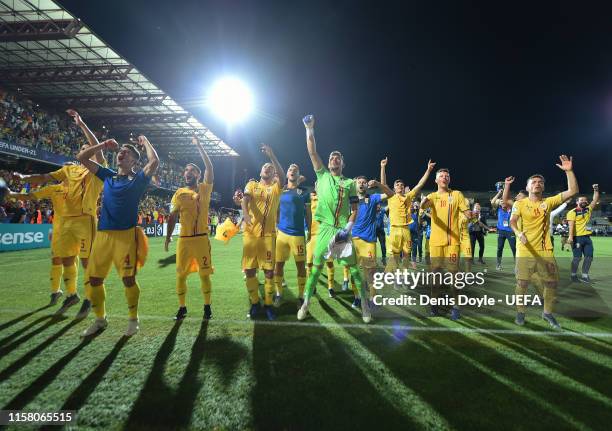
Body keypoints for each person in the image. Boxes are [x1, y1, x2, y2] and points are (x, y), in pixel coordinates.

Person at [12, 110, 106, 317]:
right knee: (66, 259)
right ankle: (72, 295)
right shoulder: (69, 170)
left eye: (89, 149)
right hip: (65, 223)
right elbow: (45, 176)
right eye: (83, 149)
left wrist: (81, 125)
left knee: (86, 262)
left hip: (85, 220)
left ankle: (90, 298)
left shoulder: (97, 171)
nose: (86, 151)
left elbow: (98, 153)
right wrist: (24, 177)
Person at [77, 134, 159, 337]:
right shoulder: (108, 175)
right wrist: (103, 144)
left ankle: (133, 320)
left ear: (133, 160)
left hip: (126, 236)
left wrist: (145, 141)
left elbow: (154, 161)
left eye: (126, 152)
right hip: (103, 235)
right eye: (120, 151)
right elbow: (82, 158)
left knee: (128, 280)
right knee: (94, 280)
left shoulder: (138, 179)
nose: (121, 153)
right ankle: (100, 319)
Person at [298, 114, 371, 323]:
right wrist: (309, 129)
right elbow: (312, 151)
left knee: (355, 269)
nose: (333, 159)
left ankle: (365, 304)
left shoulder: (349, 183)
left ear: (343, 163)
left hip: (342, 230)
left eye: (337, 157)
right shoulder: (321, 175)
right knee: (316, 267)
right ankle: (306, 303)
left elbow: (355, 208)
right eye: (331, 157)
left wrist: (348, 227)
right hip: (324, 229)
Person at [510, 155, 578, 328]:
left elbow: (573, 191)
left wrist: (569, 171)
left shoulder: (548, 203)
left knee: (552, 282)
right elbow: (512, 221)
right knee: (523, 283)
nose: (537, 184)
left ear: (543, 187)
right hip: (524, 249)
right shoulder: (520, 203)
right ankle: (520, 312)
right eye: (533, 182)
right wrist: (518, 233)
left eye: (540, 182)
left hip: (545, 249)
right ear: (527, 187)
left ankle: (547, 313)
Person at [165, 137, 214, 320]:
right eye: (186, 170)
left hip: (201, 239)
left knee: (204, 275)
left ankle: (207, 307)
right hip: (183, 241)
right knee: (180, 276)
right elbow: (172, 216)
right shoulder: (178, 193)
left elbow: (210, 168)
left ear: (198, 175)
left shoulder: (204, 189)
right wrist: (168, 236)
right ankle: (182, 307)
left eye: (192, 170)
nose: (188, 172)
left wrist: (200, 146)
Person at [241, 144, 285, 321]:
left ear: (274, 174)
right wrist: (245, 214)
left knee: (268, 272)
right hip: (250, 235)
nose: (268, 168)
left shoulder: (276, 188)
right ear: (260, 172)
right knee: (250, 271)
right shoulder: (251, 184)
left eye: (271, 168)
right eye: (265, 166)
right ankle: (254, 303)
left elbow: (282, 176)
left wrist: (273, 155)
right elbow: (245, 200)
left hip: (268, 236)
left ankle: (268, 304)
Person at [420, 168, 471, 320]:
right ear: (436, 180)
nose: (444, 178)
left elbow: (466, 211)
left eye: (447, 176)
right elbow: (423, 206)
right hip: (435, 243)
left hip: (453, 243)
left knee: (454, 276)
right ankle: (434, 304)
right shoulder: (432, 196)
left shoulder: (456, 194)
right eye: (441, 176)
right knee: (435, 275)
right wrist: (423, 202)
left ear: (449, 180)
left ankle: (456, 306)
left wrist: (470, 214)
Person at [10, 181, 67, 304]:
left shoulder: (78, 186)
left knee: (69, 260)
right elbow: (33, 194)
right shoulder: (56, 188)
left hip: (72, 227)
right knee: (59, 259)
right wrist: (17, 191)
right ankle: (56, 292)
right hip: (61, 229)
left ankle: (70, 293)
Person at [381, 157, 435, 273]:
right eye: (397, 184)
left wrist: (428, 170)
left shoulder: (408, 196)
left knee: (407, 254)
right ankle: (391, 275)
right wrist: (383, 167)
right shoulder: (391, 196)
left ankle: (403, 274)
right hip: (395, 229)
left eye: (401, 184)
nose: (400, 186)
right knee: (394, 256)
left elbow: (420, 184)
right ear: (394, 188)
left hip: (406, 230)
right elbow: (383, 184)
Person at [274, 164, 311, 308]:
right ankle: (278, 294)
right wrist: (279, 224)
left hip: (298, 234)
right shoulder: (281, 191)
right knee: (278, 266)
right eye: (290, 169)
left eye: (295, 170)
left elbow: (308, 213)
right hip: (282, 234)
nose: (292, 171)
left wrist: (309, 230)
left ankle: (301, 296)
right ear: (287, 174)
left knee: (301, 266)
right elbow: (276, 211)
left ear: (298, 175)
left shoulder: (303, 192)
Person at [352, 174, 394, 301]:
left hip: (369, 241)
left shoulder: (373, 198)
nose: (361, 183)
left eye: (364, 182)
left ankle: (372, 298)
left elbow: (390, 194)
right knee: (354, 271)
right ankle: (357, 296)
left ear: (367, 185)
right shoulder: (351, 199)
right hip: (354, 239)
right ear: (356, 184)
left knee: (371, 272)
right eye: (359, 182)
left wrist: (378, 184)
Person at [305, 186, 337, 296]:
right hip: (313, 235)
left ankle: (331, 287)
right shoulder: (310, 198)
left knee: (329, 263)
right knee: (309, 263)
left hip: (326, 235)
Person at [567, 184, 600, 283]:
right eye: (581, 200)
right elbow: (571, 226)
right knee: (577, 258)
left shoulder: (588, 209)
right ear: (577, 202)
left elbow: (595, 199)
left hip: (587, 238)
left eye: (585, 200)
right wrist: (570, 237)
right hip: (577, 238)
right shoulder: (572, 212)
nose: (584, 201)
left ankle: (585, 276)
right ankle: (573, 275)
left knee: (589, 257)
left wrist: (596, 189)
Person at [491, 178, 517, 271]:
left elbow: (508, 201)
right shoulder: (499, 207)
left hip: (510, 231)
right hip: (501, 230)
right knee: (499, 248)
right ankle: (498, 264)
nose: (502, 203)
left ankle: (517, 266)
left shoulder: (512, 206)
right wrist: (499, 193)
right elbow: (493, 202)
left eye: (504, 202)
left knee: (514, 249)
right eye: (501, 202)